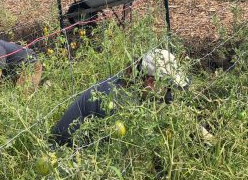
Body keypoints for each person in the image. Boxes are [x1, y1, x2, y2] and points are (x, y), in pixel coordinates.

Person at [51, 48, 191, 146]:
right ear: (150, 82)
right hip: (66, 154)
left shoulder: (131, 85)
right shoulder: (119, 102)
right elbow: (118, 151)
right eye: (168, 88)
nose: (169, 94)